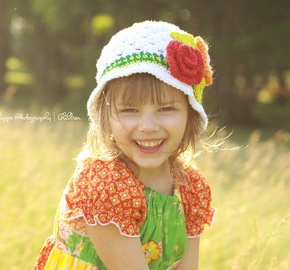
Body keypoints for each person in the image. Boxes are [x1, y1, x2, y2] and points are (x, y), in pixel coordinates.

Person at [34, 20, 215, 270]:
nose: (148, 126)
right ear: (105, 116)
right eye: (130, 110)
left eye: (166, 109)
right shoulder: (105, 185)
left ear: (190, 114)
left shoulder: (190, 188)